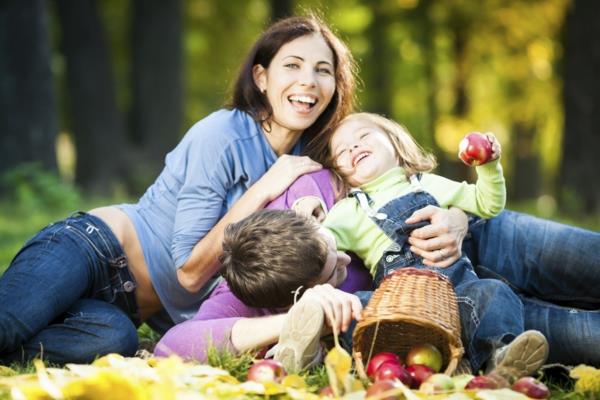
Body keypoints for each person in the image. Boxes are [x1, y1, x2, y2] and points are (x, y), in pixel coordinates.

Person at [0, 15, 358, 365]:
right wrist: (261, 190)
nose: (308, 81)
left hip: (122, 312)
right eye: (293, 66)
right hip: (93, 250)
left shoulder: (309, 164)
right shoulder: (222, 135)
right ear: (261, 77)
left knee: (116, 342)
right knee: (7, 325)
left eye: (322, 70)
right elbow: (188, 273)